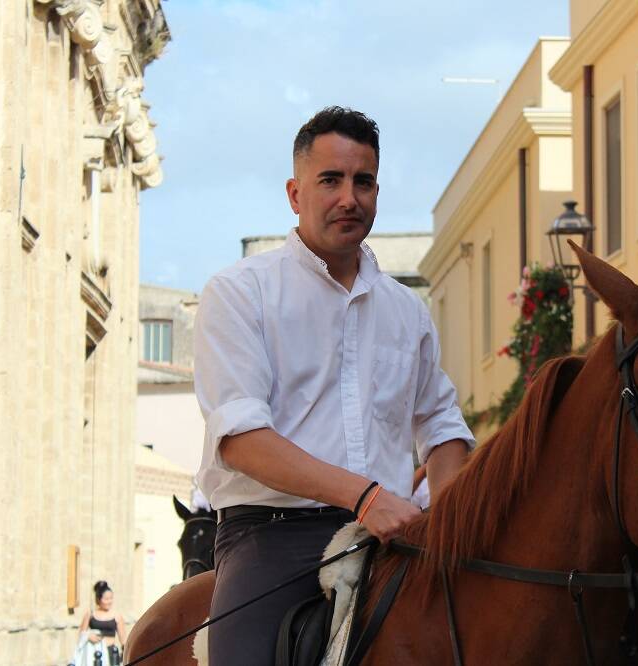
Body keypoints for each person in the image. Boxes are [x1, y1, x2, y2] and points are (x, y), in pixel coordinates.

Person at [194, 106, 474, 664]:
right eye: (331, 180)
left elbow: (443, 427)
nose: (349, 197)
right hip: (272, 539)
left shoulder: (406, 310)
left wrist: (449, 522)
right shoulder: (238, 292)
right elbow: (242, 439)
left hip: (395, 539)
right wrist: (364, 496)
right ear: (296, 194)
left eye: (363, 181)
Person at [74, 580, 126, 666]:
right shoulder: (90, 614)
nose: (109, 601)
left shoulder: (117, 616)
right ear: (99, 599)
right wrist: (88, 636)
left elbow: (123, 639)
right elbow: (81, 633)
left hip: (110, 653)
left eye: (111, 598)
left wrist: (124, 653)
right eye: (106, 599)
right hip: (93, 652)